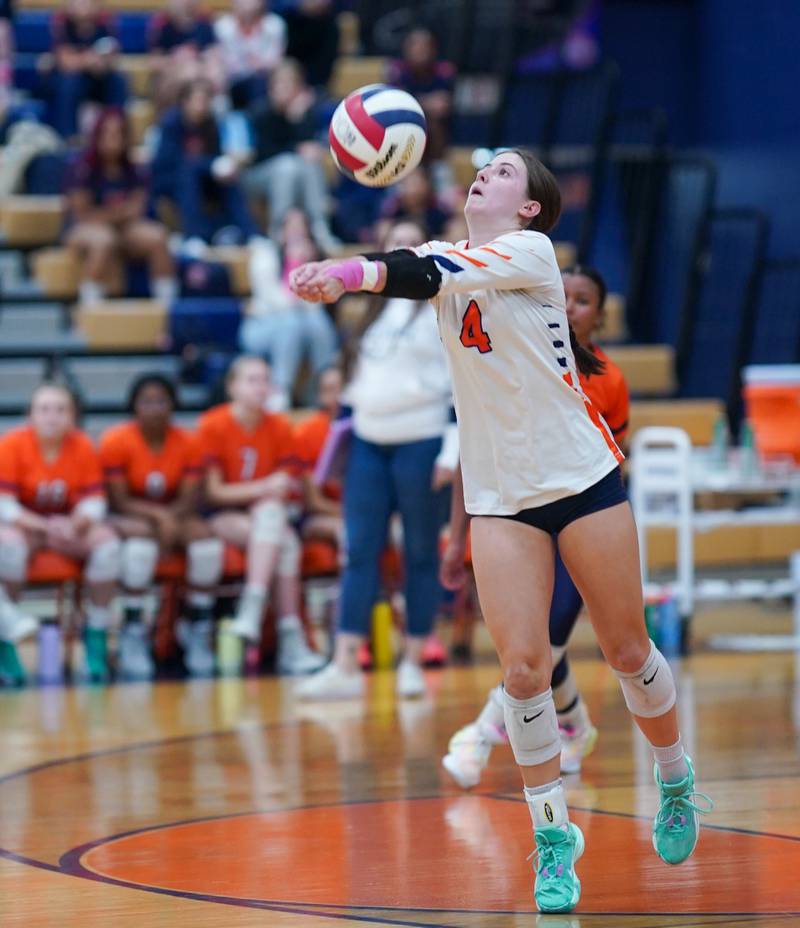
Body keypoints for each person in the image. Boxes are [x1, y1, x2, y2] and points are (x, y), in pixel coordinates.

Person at [288, 149, 712, 913]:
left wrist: (349, 272)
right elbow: (415, 269)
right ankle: (554, 839)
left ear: (529, 207)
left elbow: (418, 273)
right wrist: (341, 274)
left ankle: (676, 777)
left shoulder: (531, 251)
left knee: (625, 648)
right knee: (523, 671)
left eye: (506, 171)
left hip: (581, 478)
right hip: (499, 498)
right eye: (483, 168)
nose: (485, 173)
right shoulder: (444, 259)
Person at [441, 264, 631, 786]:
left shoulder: (609, 378)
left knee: (547, 642)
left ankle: (479, 736)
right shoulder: (510, 363)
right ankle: (572, 724)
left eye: (584, 299)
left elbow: (617, 463)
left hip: (582, 517)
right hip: (516, 517)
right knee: (535, 647)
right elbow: (472, 456)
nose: (569, 306)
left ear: (600, 315)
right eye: (562, 294)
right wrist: (458, 537)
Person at [295, 219, 458, 702]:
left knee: (421, 552)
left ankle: (413, 659)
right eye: (393, 243)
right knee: (360, 549)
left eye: (411, 241)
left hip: (423, 441)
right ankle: (344, 663)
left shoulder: (444, 305)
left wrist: (452, 449)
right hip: (368, 442)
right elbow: (352, 382)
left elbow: (463, 386)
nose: (401, 248)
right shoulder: (370, 311)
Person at [197, 355, 325, 675]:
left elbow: (286, 489)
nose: (260, 387)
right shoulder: (212, 424)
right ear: (232, 387)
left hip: (266, 519)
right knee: (278, 528)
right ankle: (289, 642)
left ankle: (252, 613)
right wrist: (263, 487)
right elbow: (214, 493)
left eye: (265, 380)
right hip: (222, 518)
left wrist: (268, 492)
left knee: (281, 533)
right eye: (252, 380)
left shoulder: (281, 426)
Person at [99, 374, 225, 679]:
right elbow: (118, 501)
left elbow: (190, 496)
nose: (154, 408)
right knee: (139, 549)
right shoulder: (116, 440)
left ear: (173, 405)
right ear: (134, 406)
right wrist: (159, 519)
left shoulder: (189, 442)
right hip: (133, 516)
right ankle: (132, 630)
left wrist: (169, 520)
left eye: (161, 401)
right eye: (147, 401)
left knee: (208, 545)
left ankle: (197, 626)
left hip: (178, 514)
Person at [0, 384, 120, 681]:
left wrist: (75, 524)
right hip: (25, 527)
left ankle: (96, 632)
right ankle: (6, 638)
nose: (52, 416)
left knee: (108, 544)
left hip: (67, 527)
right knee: (9, 546)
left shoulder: (82, 446)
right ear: (30, 415)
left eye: (60, 409)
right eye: (44, 409)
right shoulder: (12, 444)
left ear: (72, 416)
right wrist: (43, 526)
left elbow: (94, 502)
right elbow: (5, 505)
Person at [64, 107, 177, 306]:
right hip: (83, 230)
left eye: (118, 133)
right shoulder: (81, 168)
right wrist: (119, 213)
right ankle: (90, 306)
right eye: (107, 133)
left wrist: (111, 215)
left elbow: (137, 209)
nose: (113, 139)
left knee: (158, 237)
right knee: (103, 240)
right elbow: (83, 215)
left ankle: (167, 307)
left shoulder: (135, 169)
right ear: (97, 136)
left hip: (123, 229)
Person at [240, 208, 339, 408]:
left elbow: (317, 308)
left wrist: (310, 263)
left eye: (301, 228)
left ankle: (323, 389)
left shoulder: (317, 257)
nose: (296, 233)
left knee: (317, 324)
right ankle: (280, 389)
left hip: (305, 327)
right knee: (291, 322)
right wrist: (294, 264)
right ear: (280, 231)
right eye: (291, 227)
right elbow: (281, 303)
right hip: (261, 327)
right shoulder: (264, 254)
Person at [243, 59, 339, 251]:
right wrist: (295, 148)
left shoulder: (303, 113)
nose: (285, 89)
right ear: (271, 87)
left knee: (308, 163)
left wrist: (298, 121)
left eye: (291, 85)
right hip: (255, 175)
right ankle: (279, 230)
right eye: (281, 84)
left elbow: (307, 146)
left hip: (293, 171)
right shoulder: (259, 112)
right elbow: (260, 153)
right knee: (288, 165)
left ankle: (320, 227)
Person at [151, 79, 257, 245]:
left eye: (206, 100)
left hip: (201, 179)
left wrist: (222, 167)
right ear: (185, 102)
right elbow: (173, 161)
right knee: (188, 172)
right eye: (198, 99)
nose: (202, 104)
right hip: (170, 180)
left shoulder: (210, 124)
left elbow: (214, 158)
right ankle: (193, 237)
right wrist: (212, 165)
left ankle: (252, 235)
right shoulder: (171, 123)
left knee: (228, 178)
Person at [45, 0, 127, 139]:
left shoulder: (105, 22)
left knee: (118, 81)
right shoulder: (63, 23)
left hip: (97, 77)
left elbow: (112, 55)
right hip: (70, 80)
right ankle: (69, 138)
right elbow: (66, 63)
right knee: (70, 84)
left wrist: (100, 63)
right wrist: (89, 59)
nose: (83, 5)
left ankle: (118, 133)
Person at [386, 28, 454, 179]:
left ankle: (439, 171)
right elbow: (396, 105)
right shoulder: (397, 70)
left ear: (433, 49)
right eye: (415, 46)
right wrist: (426, 103)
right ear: (407, 49)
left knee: (433, 123)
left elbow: (443, 106)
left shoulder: (443, 71)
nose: (420, 51)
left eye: (425, 47)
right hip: (402, 139)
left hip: (435, 143)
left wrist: (417, 103)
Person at [293, 365, 344, 552]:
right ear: (319, 396)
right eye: (330, 390)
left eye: (343, 388)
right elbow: (314, 502)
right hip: (314, 516)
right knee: (353, 532)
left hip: (360, 511)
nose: (338, 396)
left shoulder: (366, 427)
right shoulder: (307, 433)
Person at [147, 0, 223, 111]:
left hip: (200, 75)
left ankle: (212, 118)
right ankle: (175, 119)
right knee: (188, 73)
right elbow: (154, 62)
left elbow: (214, 55)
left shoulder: (204, 22)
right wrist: (175, 60)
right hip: (172, 77)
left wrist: (200, 64)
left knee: (215, 74)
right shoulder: (163, 23)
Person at [214, 0, 286, 109]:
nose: (247, 3)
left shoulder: (275, 25)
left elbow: (275, 61)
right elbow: (222, 59)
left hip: (264, 80)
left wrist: (260, 65)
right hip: (231, 80)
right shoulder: (222, 26)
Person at [282, 0, 339, 90]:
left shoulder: (331, 26)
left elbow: (324, 66)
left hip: (317, 84)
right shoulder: (289, 19)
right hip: (292, 75)